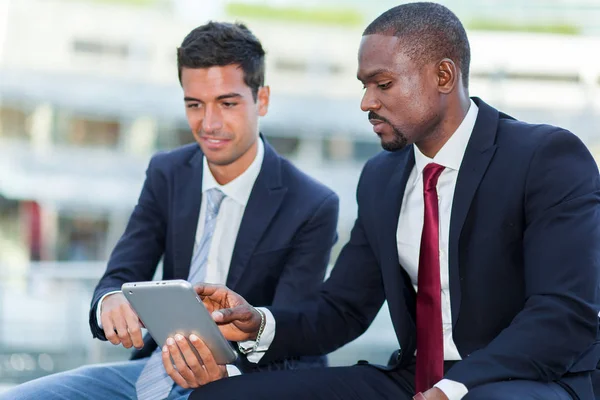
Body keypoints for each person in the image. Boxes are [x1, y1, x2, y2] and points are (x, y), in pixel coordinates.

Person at [185, 3, 600, 400]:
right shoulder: (381, 177)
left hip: (529, 379)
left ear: (443, 76)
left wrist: (455, 388)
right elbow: (343, 308)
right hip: (414, 379)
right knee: (221, 395)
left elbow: (563, 313)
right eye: (364, 86)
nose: (367, 102)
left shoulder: (545, 157)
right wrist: (258, 323)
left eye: (382, 84)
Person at [1, 21, 338, 400]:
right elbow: (119, 277)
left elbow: (294, 333)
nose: (208, 124)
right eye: (195, 105)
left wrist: (225, 374)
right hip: (155, 369)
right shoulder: (168, 173)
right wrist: (110, 304)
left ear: (261, 100)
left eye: (227, 103)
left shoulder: (312, 204)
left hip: (246, 382)